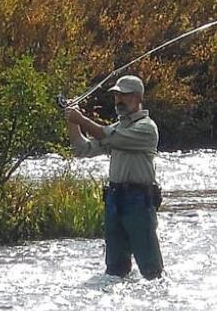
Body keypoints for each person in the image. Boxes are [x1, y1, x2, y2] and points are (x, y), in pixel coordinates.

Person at [64, 75, 163, 279]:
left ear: (136, 98)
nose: (118, 100)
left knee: (151, 270)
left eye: (123, 96)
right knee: (115, 271)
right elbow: (82, 149)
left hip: (139, 202)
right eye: (116, 96)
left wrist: (81, 119)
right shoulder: (117, 127)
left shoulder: (146, 128)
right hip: (114, 200)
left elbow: (108, 137)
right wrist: (72, 122)